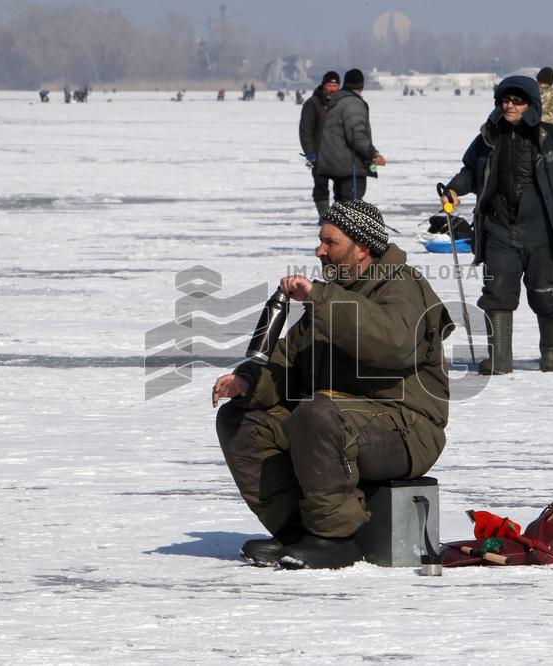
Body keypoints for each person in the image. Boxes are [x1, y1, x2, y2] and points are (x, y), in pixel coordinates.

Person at [212, 200, 454, 569]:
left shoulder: (403, 287)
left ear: (362, 248)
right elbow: (290, 360)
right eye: (320, 241)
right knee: (242, 421)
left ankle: (334, 539)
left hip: (407, 427)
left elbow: (392, 344)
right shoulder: (333, 295)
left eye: (330, 242)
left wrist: (319, 297)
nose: (319, 251)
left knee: (318, 413)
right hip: (337, 419)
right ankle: (298, 532)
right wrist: (246, 382)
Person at [438, 76, 553, 375]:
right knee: (497, 292)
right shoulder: (488, 136)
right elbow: (471, 170)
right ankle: (499, 359)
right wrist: (455, 189)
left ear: (530, 104)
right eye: (505, 99)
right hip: (500, 229)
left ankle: (551, 354)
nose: (510, 105)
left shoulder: (552, 138)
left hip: (542, 232)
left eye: (517, 100)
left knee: (546, 293)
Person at [316, 69, 386, 202]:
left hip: (337, 164)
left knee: (342, 205)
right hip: (350, 166)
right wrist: (374, 154)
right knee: (351, 205)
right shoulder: (353, 104)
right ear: (362, 85)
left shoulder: (338, 100)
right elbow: (357, 137)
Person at [299, 71, 340, 217]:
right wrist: (310, 152)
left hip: (339, 154)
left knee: (341, 187)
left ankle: (339, 218)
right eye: (329, 85)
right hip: (319, 154)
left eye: (335, 86)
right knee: (321, 186)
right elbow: (305, 130)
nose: (332, 89)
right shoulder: (312, 103)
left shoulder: (343, 103)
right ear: (323, 86)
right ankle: (324, 216)